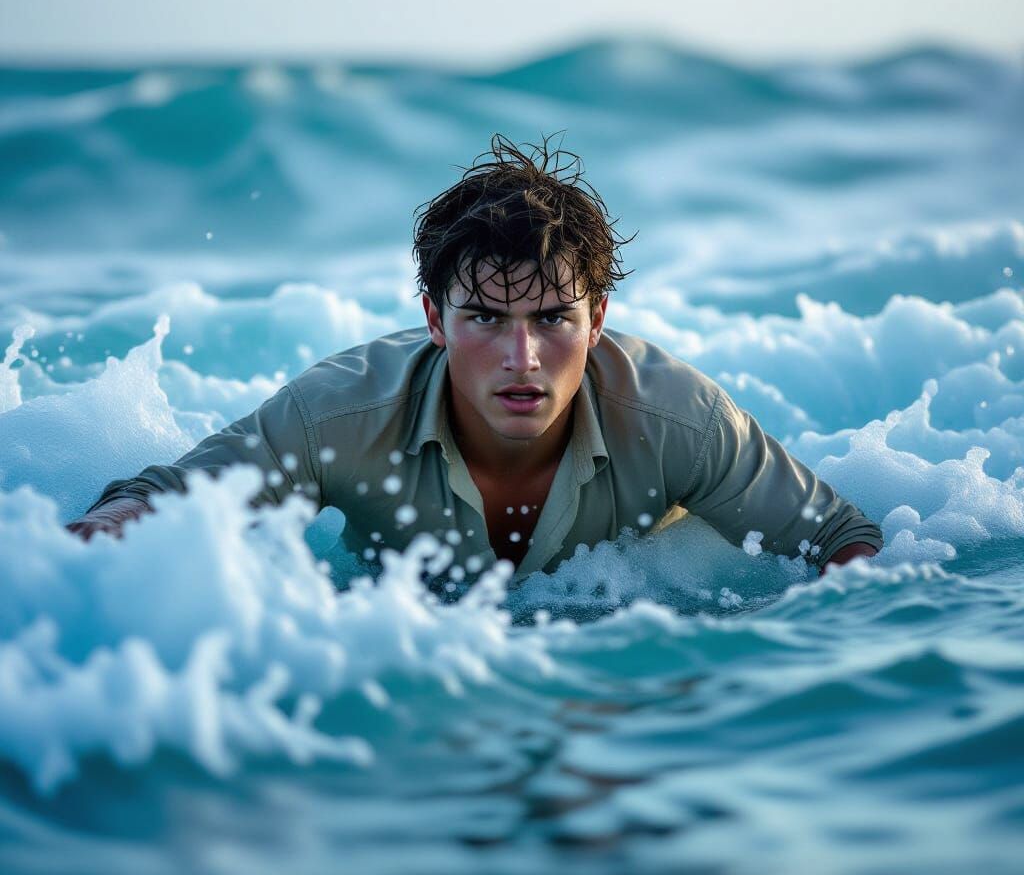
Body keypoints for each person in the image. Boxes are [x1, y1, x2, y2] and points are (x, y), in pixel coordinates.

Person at [68, 136, 882, 582]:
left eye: (553, 319)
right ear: (434, 318)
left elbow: (843, 540)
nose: (521, 357)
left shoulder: (679, 422)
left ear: (598, 320)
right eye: (486, 318)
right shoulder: (340, 417)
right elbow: (162, 502)